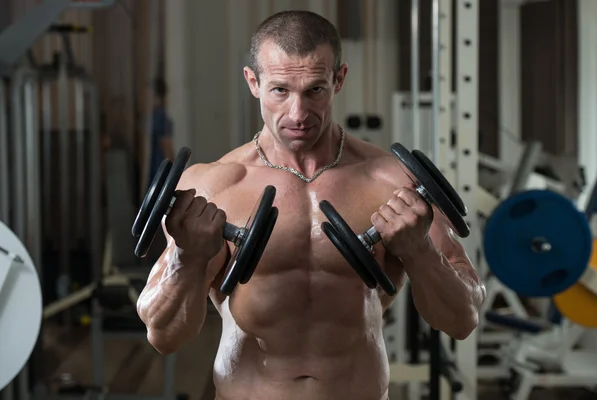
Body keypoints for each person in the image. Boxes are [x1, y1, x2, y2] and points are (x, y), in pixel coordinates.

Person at [136, 10, 485, 400]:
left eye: (314, 90)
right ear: (253, 82)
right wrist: (188, 258)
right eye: (280, 91)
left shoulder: (394, 183)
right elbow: (162, 335)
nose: (298, 114)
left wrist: (419, 251)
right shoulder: (211, 188)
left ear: (339, 79)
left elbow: (462, 319)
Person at [146, 77, 175, 187]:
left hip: (157, 171)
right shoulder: (151, 117)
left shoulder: (160, 118)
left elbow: (167, 147)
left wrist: (175, 174)